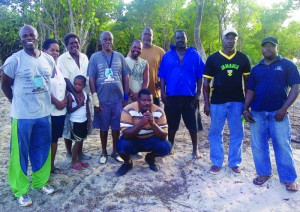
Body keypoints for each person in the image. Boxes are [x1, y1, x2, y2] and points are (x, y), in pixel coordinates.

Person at [1, 25, 55, 207]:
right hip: (22, 116)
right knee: (19, 154)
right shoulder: (13, 60)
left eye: (31, 34)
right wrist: (15, 102)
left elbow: (49, 82)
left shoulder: (48, 60)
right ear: (20, 39)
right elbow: (5, 85)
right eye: (24, 35)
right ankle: (21, 191)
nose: (28, 37)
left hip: (44, 114)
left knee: (41, 150)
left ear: (38, 37)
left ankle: (40, 183)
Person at [243, 37, 300, 191]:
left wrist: (284, 108)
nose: (268, 49)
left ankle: (288, 179)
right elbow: (250, 90)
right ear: (262, 49)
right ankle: (263, 173)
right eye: (265, 46)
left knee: (282, 144)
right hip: (257, 113)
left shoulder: (287, 65)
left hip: (278, 113)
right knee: (258, 145)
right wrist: (245, 109)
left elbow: (295, 87)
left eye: (271, 46)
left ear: (276, 48)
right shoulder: (256, 69)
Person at [203, 28, 251, 174]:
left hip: (238, 102)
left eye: (233, 38)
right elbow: (206, 84)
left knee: (237, 132)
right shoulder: (213, 59)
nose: (230, 41)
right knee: (215, 132)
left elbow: (248, 84)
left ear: (236, 40)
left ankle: (234, 162)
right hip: (217, 102)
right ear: (222, 39)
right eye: (227, 38)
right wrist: (206, 103)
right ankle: (217, 161)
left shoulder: (243, 58)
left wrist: (247, 106)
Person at [159, 30, 204, 159]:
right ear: (175, 39)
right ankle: (170, 147)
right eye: (177, 37)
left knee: (193, 124)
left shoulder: (195, 55)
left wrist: (198, 94)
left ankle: (195, 149)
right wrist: (162, 92)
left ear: (186, 39)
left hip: (190, 97)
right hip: (171, 96)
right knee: (172, 125)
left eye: (182, 37)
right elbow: (162, 76)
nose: (180, 39)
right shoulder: (167, 56)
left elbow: (200, 76)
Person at [88, 31, 130, 164]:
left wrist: (126, 97)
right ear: (100, 42)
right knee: (104, 127)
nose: (108, 42)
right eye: (105, 39)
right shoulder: (95, 57)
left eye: (110, 39)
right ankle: (104, 152)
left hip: (117, 99)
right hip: (102, 100)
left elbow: (126, 77)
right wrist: (95, 98)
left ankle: (115, 152)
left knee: (116, 128)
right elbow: (92, 79)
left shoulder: (119, 56)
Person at [115, 89, 172, 176]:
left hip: (151, 138)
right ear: (138, 100)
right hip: (134, 139)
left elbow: (164, 136)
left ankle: (150, 158)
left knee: (166, 147)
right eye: (143, 100)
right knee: (121, 147)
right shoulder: (127, 110)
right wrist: (141, 123)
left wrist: (152, 124)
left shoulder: (159, 111)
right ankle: (128, 163)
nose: (147, 103)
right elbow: (126, 135)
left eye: (149, 100)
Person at [57, 33, 92, 161]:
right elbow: (65, 79)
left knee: (81, 123)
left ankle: (80, 152)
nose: (74, 45)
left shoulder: (84, 57)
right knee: (69, 125)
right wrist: (76, 95)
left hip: (84, 95)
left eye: (76, 42)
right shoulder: (62, 59)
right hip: (70, 95)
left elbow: (88, 76)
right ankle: (68, 153)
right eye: (71, 43)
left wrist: (84, 95)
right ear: (66, 45)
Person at [42, 39, 67, 174]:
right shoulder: (41, 67)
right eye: (52, 50)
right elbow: (42, 88)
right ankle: (44, 168)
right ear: (44, 51)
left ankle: (51, 166)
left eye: (57, 50)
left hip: (60, 111)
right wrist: (57, 102)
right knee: (46, 140)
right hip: (48, 111)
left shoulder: (57, 68)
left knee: (55, 139)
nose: (55, 53)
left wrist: (64, 101)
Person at [67, 75, 90, 170]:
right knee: (77, 142)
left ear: (84, 85)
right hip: (75, 122)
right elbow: (69, 110)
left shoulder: (85, 94)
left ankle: (79, 160)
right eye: (75, 84)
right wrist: (78, 105)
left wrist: (88, 120)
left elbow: (87, 108)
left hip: (83, 121)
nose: (77, 86)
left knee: (81, 142)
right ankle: (73, 162)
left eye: (79, 84)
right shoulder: (70, 95)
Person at [140, 27, 165, 106]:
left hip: (154, 91)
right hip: (139, 92)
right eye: (145, 34)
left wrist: (162, 83)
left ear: (152, 37)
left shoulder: (160, 51)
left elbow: (166, 69)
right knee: (140, 116)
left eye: (149, 34)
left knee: (156, 115)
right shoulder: (135, 50)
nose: (147, 36)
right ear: (141, 36)